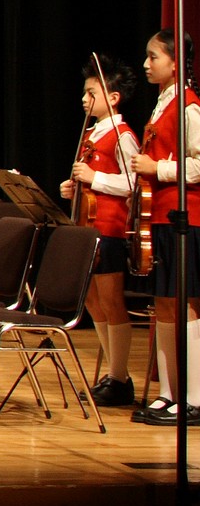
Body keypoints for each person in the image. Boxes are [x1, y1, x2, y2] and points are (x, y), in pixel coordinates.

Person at [59, 57, 140, 407]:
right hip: (86, 229)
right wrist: (73, 188)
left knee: (110, 301)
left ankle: (120, 378)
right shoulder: (92, 134)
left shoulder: (123, 136)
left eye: (91, 93)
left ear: (114, 97)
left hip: (109, 228)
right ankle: (113, 373)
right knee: (93, 302)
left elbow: (134, 184)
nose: (84, 99)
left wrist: (96, 179)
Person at [130, 28, 200, 425]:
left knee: (184, 302)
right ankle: (169, 392)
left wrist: (158, 168)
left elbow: (199, 164)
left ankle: (194, 397)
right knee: (164, 304)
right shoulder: (163, 103)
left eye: (153, 56)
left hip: (184, 217)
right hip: (158, 215)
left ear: (175, 63)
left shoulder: (188, 106)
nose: (146, 64)